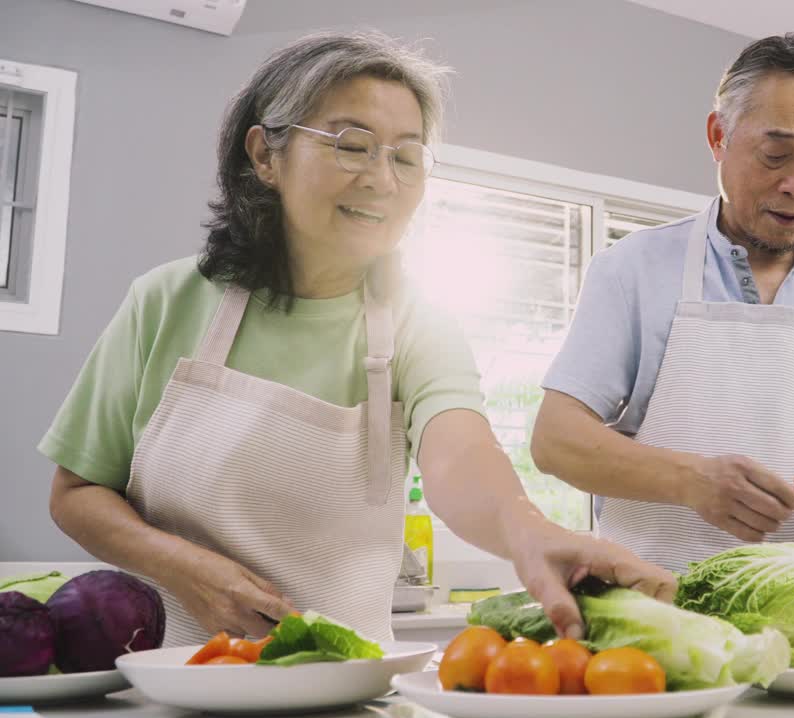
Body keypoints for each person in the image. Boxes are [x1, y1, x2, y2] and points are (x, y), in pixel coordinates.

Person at [40, 31, 672, 647]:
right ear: (265, 156)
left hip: (347, 689)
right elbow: (77, 494)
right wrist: (179, 564)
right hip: (168, 679)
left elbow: (460, 459)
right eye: (352, 145)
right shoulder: (167, 300)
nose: (383, 179)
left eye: (405, 156)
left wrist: (528, 532)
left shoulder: (419, 324)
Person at [531, 33, 794, 573]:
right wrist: (691, 480)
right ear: (718, 135)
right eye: (775, 155)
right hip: (657, 623)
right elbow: (556, 440)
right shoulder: (631, 271)